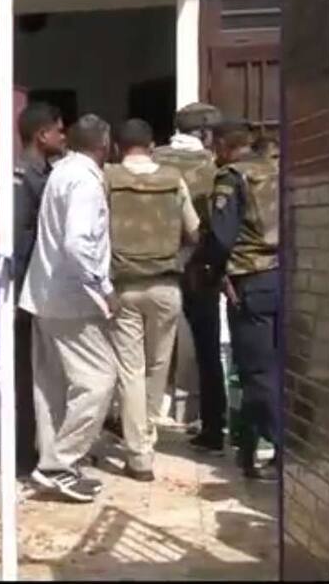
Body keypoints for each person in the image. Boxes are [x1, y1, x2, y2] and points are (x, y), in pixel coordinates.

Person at [20, 113, 117, 503]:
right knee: (100, 379)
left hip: (44, 295)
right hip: (72, 299)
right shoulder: (85, 181)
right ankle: (58, 464)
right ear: (104, 143)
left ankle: (54, 466)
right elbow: (77, 243)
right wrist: (103, 287)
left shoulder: (61, 172)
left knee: (52, 388)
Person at [105, 119, 200, 482]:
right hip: (166, 286)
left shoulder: (107, 178)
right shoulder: (173, 179)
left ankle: (139, 454)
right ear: (153, 145)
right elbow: (195, 232)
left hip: (124, 286)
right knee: (157, 368)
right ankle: (146, 437)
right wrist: (179, 262)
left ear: (117, 146)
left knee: (130, 371)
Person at [199, 118, 280, 480]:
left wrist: (213, 274)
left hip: (249, 280)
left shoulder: (231, 177)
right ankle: (248, 449)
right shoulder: (276, 170)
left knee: (255, 371)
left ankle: (284, 447)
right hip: (285, 278)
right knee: (275, 369)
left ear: (222, 144)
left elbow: (221, 237)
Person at [155, 103, 227, 453]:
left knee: (144, 354)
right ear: (205, 133)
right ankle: (213, 427)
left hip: (153, 267)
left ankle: (137, 430)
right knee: (208, 350)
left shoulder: (151, 161)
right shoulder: (213, 167)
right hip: (199, 267)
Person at [13, 101, 67, 476]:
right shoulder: (22, 176)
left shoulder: (47, 173)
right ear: (41, 134)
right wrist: (18, 294)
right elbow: (18, 238)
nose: (63, 137)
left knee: (47, 373)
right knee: (24, 374)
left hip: (45, 289)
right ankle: (23, 453)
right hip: (25, 290)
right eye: (59, 130)